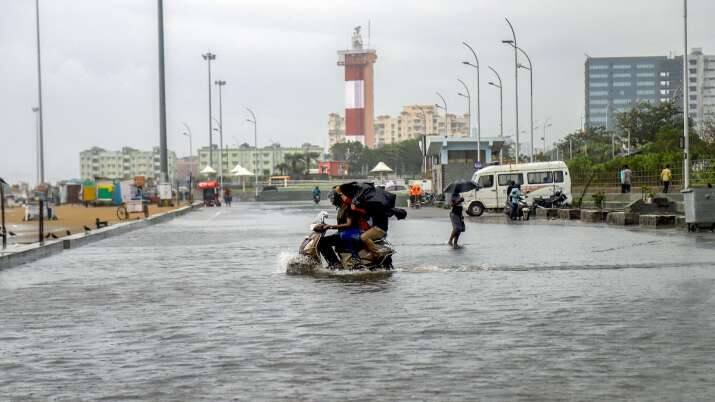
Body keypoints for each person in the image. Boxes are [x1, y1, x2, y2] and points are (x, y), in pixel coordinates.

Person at [318, 188, 363, 269]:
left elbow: (348, 224)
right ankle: (335, 262)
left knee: (322, 242)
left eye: (333, 198)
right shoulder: (341, 208)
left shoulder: (348, 207)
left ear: (337, 198)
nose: (332, 201)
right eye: (331, 199)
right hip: (343, 233)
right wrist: (323, 225)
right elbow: (341, 223)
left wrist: (331, 226)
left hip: (351, 233)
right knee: (323, 241)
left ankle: (335, 264)